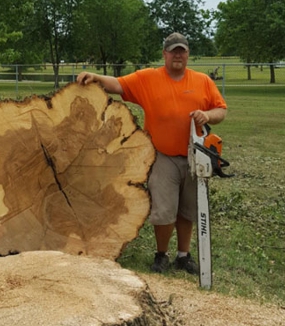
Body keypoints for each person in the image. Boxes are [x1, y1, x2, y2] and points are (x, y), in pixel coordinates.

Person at [76, 32, 227, 274]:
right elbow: (118, 85)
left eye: (182, 51)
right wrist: (94, 77)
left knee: (188, 209)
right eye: (173, 50)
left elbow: (221, 109)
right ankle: (161, 255)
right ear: (164, 54)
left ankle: (183, 255)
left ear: (188, 54)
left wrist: (207, 116)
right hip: (162, 155)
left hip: (194, 156)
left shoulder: (202, 81)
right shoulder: (148, 78)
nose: (178, 55)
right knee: (164, 209)